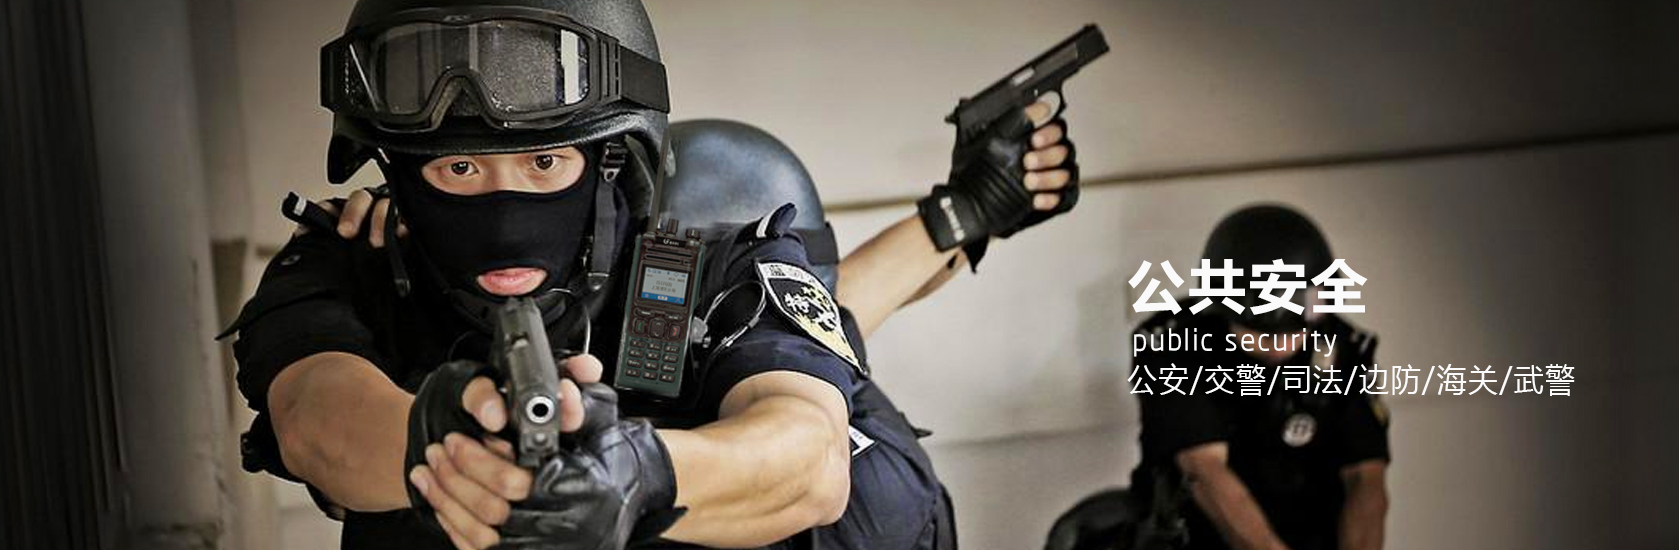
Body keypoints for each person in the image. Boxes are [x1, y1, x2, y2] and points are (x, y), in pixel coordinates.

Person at [222, 1, 1079, 548]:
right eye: (459, 169)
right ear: (398, 173)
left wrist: (642, 474)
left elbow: (810, 451)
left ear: (609, 159)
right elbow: (312, 415)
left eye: (545, 162)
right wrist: (437, 443)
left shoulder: (698, 261)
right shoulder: (355, 258)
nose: (502, 209)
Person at [1127, 205, 1390, 550]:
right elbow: (1205, 472)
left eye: (1294, 331)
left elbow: (1365, 477)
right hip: (1195, 538)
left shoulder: (1341, 347)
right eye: (1263, 333)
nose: (1279, 345)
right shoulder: (1174, 343)